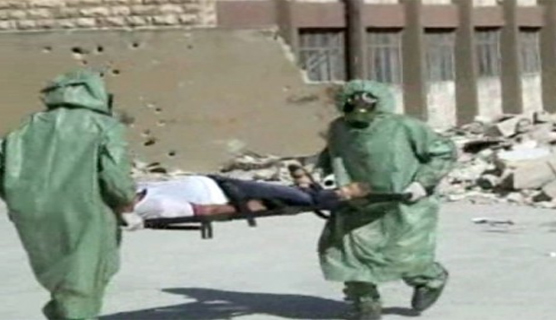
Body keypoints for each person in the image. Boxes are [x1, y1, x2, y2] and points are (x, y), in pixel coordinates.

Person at [0, 70, 137, 320]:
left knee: (58, 275)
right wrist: (127, 203)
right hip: (86, 212)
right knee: (84, 280)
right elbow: (114, 176)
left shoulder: (26, 127)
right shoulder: (103, 126)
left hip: (32, 213)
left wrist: (17, 202)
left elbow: (3, 167)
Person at [315, 80, 457, 320]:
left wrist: (422, 183)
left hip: (403, 203)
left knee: (404, 256)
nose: (360, 116)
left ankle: (430, 279)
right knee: (346, 252)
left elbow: (443, 152)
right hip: (356, 202)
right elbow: (331, 156)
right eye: (353, 110)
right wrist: (329, 182)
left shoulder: (407, 127)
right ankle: (365, 303)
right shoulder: (338, 129)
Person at [126, 171, 370, 224]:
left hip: (220, 182)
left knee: (295, 193)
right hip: (228, 193)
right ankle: (340, 194)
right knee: (301, 198)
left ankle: (318, 190)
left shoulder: (140, 190)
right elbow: (209, 212)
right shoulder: (156, 206)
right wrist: (247, 209)